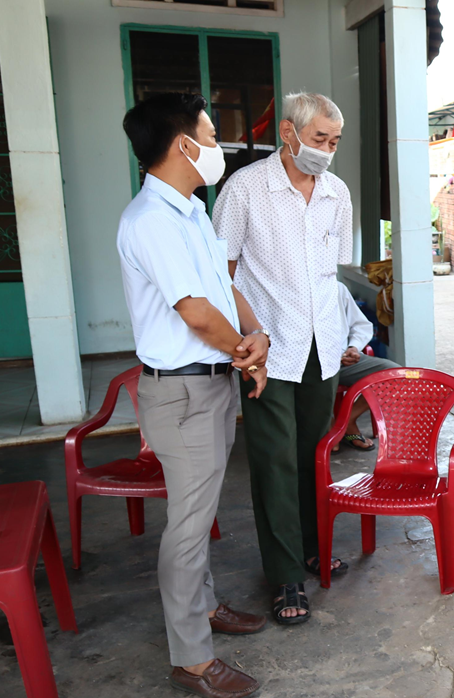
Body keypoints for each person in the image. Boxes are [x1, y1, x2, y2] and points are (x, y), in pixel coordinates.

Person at [118, 93, 271, 697]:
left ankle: (204, 608)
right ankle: (191, 658)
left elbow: (222, 289)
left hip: (210, 385)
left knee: (200, 513)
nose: (219, 149)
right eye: (211, 136)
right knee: (187, 527)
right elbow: (196, 313)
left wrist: (254, 338)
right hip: (181, 395)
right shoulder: (150, 220)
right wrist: (242, 348)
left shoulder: (189, 212)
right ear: (183, 145)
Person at [212, 92, 352, 624]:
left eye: (334, 142)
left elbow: (331, 276)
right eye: (319, 139)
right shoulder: (245, 189)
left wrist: (342, 335)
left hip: (322, 346)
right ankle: (286, 574)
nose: (326, 151)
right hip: (268, 347)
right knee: (273, 461)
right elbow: (220, 276)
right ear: (288, 134)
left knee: (315, 456)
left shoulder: (336, 192)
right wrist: (250, 335)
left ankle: (313, 548)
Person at [334, 281, 400, 452]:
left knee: (393, 374)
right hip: (308, 366)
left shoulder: (337, 288)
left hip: (343, 362)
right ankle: (330, 429)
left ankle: (345, 421)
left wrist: (353, 348)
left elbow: (360, 325)